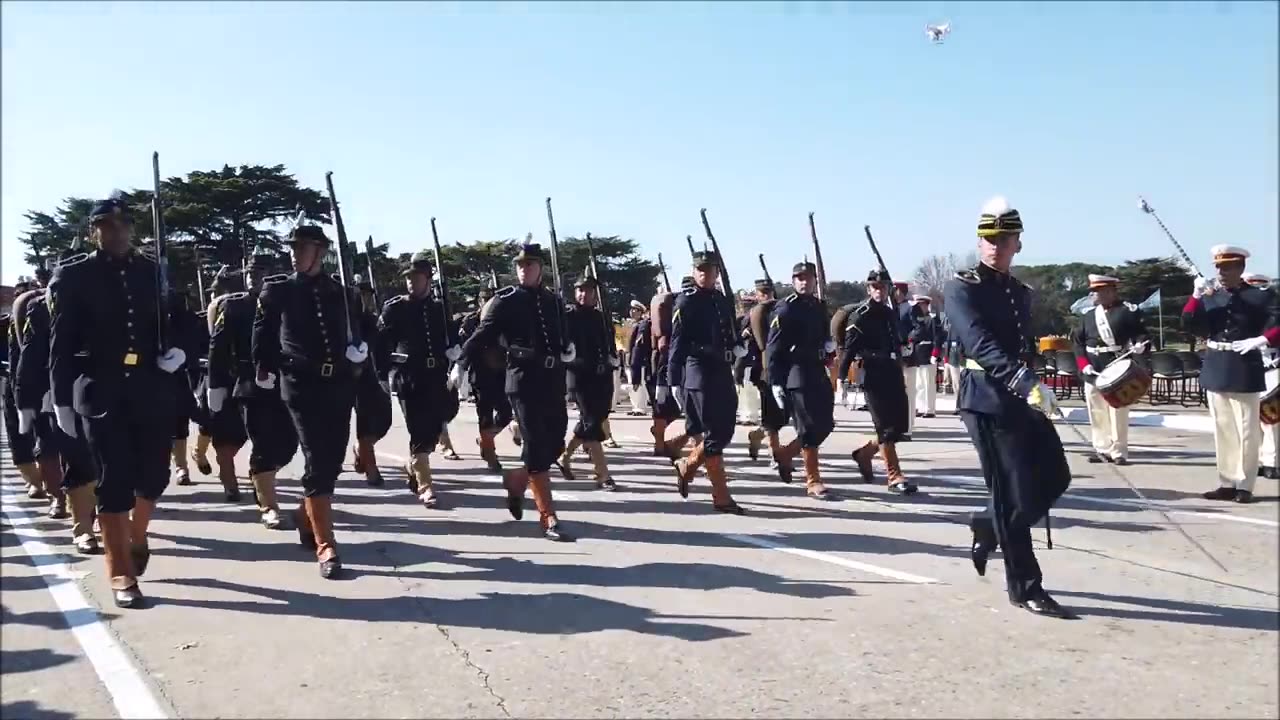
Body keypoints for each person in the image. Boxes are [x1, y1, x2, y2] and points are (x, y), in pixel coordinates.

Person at [48, 196, 188, 608]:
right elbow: (61, 341)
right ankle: (120, 572)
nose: (117, 231)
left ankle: (137, 535)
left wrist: (176, 349)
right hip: (100, 388)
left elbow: (177, 320)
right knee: (113, 479)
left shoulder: (151, 272)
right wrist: (61, 399)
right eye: (107, 225)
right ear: (94, 231)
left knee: (154, 475)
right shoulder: (75, 276)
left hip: (150, 384)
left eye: (123, 224)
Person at [944, 195, 1074, 619]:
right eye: (989, 239)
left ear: (1018, 242)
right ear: (980, 242)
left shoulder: (1020, 291)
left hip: (1022, 397)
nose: (996, 246)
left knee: (1055, 475)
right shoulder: (962, 287)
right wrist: (1026, 382)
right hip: (986, 399)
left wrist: (1038, 383)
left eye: (1005, 239)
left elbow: (1023, 344)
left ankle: (988, 523)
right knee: (1012, 492)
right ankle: (1025, 586)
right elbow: (979, 343)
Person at [253, 224, 367, 578]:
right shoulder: (278, 290)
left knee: (332, 461)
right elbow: (262, 332)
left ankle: (306, 517)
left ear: (320, 252)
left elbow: (361, 329)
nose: (294, 253)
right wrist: (262, 367)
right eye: (294, 247)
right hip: (300, 384)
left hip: (339, 386)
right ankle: (327, 545)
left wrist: (361, 350)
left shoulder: (342, 293)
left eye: (302, 247)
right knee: (317, 459)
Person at [459, 242, 573, 541]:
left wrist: (568, 348)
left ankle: (517, 478)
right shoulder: (506, 300)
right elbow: (482, 334)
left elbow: (562, 333)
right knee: (535, 443)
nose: (525, 270)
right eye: (520, 265)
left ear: (541, 268)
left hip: (552, 378)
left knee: (557, 440)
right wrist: (459, 365)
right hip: (522, 380)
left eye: (530, 265)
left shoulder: (553, 300)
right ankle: (548, 516)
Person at [1181, 246, 1280, 504]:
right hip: (1217, 363)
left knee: (1248, 430)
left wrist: (1262, 339)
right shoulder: (1211, 296)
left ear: (1240, 269)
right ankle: (1227, 482)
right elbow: (1189, 324)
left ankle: (1245, 485)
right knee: (1223, 429)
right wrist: (1195, 295)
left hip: (1245, 364)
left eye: (1227, 267)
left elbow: (1277, 319)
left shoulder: (1260, 296)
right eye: (1218, 268)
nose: (1221, 272)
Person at [208, 253, 292, 528]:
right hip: (249, 383)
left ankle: (260, 475)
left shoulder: (285, 303)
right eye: (250, 273)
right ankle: (268, 505)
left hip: (284, 380)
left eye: (260, 273)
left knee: (289, 444)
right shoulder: (234, 306)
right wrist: (215, 384)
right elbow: (218, 348)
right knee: (263, 442)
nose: (253, 277)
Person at [379, 251, 461, 508]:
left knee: (437, 427)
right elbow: (380, 343)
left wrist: (456, 355)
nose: (411, 282)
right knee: (418, 429)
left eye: (417, 277)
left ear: (428, 279)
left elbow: (451, 335)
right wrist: (385, 371)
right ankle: (426, 487)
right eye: (409, 278)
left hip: (436, 376)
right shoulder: (395, 308)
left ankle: (413, 463)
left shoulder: (439, 307)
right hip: (409, 378)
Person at [668, 250, 746, 513]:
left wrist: (738, 346)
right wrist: (673, 379)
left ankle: (687, 465)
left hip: (722, 369)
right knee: (714, 432)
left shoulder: (722, 300)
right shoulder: (686, 302)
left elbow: (730, 331)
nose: (704, 274)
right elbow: (677, 344)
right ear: (694, 272)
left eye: (709, 270)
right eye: (700, 270)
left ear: (717, 272)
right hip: (698, 371)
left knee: (726, 430)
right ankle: (720, 496)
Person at [837, 271, 917, 494]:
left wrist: (904, 348)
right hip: (872, 373)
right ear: (868, 289)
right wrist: (841, 377)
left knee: (900, 426)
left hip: (892, 370)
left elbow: (897, 339)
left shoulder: (890, 313)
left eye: (882, 287)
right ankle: (894, 476)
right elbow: (850, 348)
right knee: (884, 426)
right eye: (875, 287)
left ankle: (865, 453)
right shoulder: (861, 316)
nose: (879, 291)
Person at [765, 261, 837, 499]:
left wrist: (829, 348)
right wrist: (775, 381)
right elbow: (773, 348)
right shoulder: (785, 308)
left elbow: (824, 334)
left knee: (826, 424)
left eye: (808, 277)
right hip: (796, 372)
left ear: (815, 280)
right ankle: (813, 479)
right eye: (799, 278)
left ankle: (786, 454)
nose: (803, 282)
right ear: (793, 281)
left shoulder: (819, 306)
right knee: (807, 427)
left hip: (816, 369)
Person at [1071, 274, 1151, 465]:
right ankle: (1101, 448)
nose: (1093, 295)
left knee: (1118, 409)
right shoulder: (1089, 315)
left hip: (1117, 365)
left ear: (1110, 291)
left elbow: (1143, 335)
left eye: (1096, 291)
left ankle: (1119, 451)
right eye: (1093, 291)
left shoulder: (1128, 311)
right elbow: (1077, 343)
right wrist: (1084, 364)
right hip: (1093, 368)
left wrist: (1141, 345)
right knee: (1096, 409)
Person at [11, 282, 69, 519]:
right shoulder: (36, 309)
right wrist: (24, 395)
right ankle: (57, 497)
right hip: (45, 386)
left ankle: (92, 508)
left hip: (81, 384)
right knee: (47, 445)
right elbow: (26, 356)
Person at [559, 271, 620, 490]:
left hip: (601, 376)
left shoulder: (601, 317)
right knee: (592, 422)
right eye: (580, 290)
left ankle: (565, 457)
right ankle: (602, 474)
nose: (584, 294)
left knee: (594, 419)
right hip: (579, 375)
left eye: (589, 290)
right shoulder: (567, 316)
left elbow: (609, 343)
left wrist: (613, 357)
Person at [460, 285, 514, 471]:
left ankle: (485, 440)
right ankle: (490, 454)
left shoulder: (504, 318)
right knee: (485, 415)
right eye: (485, 299)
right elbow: (466, 344)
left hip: (500, 371)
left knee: (506, 413)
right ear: (480, 302)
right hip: (480, 373)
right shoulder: (470, 321)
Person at [350, 275, 393, 487]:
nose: (364, 299)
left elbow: (382, 345)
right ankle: (371, 470)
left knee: (383, 420)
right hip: (344, 375)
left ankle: (362, 450)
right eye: (360, 294)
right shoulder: (342, 319)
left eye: (367, 295)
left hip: (371, 374)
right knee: (360, 425)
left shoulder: (371, 320)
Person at [744, 279, 791, 473]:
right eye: (762, 292)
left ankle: (759, 434)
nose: (766, 295)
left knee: (785, 414)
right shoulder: (753, 316)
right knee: (772, 413)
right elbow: (750, 344)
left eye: (768, 291)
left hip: (787, 367)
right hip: (764, 370)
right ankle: (775, 455)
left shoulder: (784, 310)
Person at [1242, 273, 1280, 479]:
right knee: (1250, 421)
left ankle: (1272, 462)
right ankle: (1254, 462)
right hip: (1248, 368)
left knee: (1272, 419)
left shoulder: (1274, 308)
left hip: (1272, 365)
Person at [906, 295, 942, 418]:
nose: (918, 308)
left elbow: (937, 337)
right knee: (919, 384)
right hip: (918, 354)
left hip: (928, 352)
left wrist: (935, 353)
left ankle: (930, 409)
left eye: (920, 305)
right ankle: (921, 407)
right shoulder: (917, 319)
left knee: (928, 383)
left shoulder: (932, 319)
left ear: (926, 305)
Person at [624, 299, 651, 416]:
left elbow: (638, 345)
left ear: (640, 312)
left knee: (639, 383)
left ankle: (641, 407)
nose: (632, 312)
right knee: (632, 383)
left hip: (639, 359)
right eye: (632, 309)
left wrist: (634, 360)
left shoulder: (642, 325)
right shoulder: (631, 324)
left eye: (635, 310)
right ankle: (635, 406)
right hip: (630, 357)